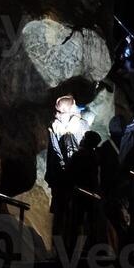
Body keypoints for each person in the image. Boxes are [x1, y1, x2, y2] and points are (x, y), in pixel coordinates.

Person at [46, 96, 91, 247]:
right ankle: (74, 248)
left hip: (58, 177)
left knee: (59, 213)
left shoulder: (53, 126)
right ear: (69, 108)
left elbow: (52, 154)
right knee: (77, 214)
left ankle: (56, 248)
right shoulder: (81, 125)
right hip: (76, 177)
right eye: (74, 105)